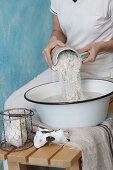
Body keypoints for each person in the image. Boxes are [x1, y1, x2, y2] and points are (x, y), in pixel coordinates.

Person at [3, 0, 113, 169]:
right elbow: (58, 30)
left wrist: (101, 46)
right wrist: (53, 41)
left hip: (101, 75)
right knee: (13, 106)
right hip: (67, 66)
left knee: (75, 115)